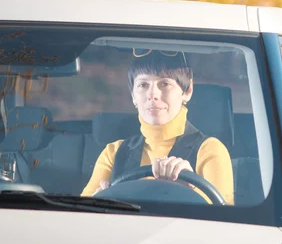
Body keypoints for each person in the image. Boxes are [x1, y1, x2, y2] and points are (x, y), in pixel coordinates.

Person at [81, 49, 234, 205]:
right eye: (143, 85)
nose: (152, 94)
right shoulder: (114, 153)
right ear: (133, 95)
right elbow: (81, 216)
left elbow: (224, 222)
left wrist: (191, 190)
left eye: (164, 83)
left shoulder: (209, 150)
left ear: (187, 91)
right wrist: (96, 205)